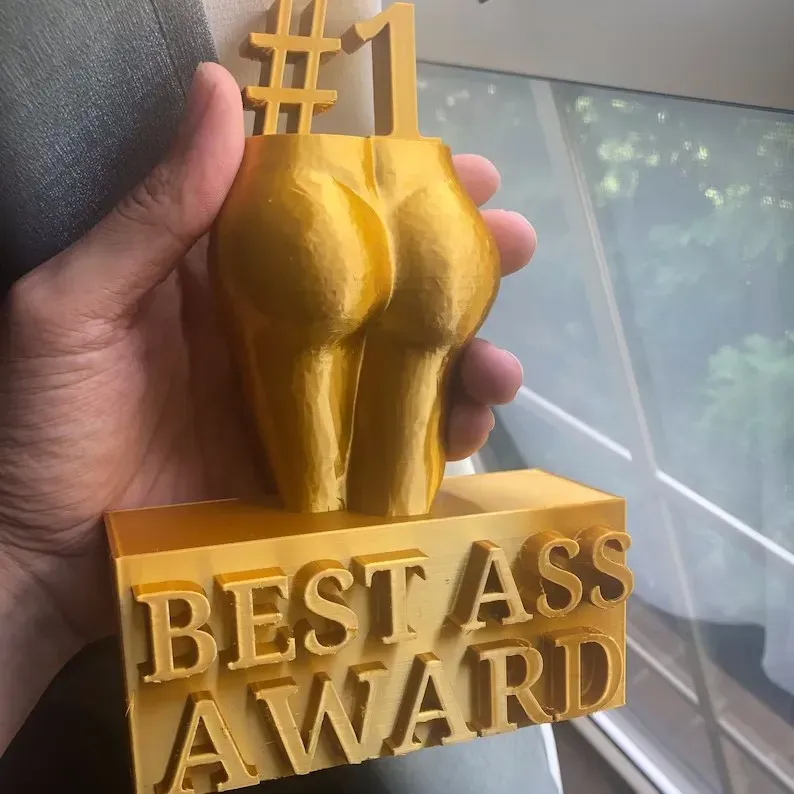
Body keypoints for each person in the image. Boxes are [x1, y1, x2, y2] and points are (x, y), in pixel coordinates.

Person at [0, 2, 556, 792]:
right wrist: (29, 565)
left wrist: (28, 567)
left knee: (365, 445)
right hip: (382, 174)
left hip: (306, 172)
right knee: (404, 422)